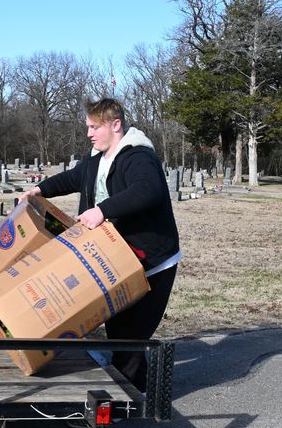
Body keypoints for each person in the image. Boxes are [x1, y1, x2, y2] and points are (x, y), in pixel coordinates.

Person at [23, 98, 180, 392]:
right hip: (118, 258)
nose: (89, 134)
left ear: (115, 125)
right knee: (119, 328)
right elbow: (74, 177)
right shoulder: (98, 158)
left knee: (132, 335)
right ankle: (133, 390)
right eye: (88, 127)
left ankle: (128, 401)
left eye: (95, 127)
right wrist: (39, 190)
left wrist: (102, 210)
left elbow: (148, 190)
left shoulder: (137, 156)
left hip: (153, 260)